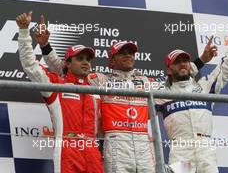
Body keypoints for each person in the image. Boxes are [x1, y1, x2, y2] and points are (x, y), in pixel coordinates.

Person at [35, 16, 217, 172]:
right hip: (116, 144)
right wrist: (46, 47)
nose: (128, 55)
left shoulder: (146, 82)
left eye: (131, 53)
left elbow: (177, 74)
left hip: (143, 146)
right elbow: (67, 70)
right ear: (112, 61)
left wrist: (201, 61)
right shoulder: (100, 79)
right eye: (122, 53)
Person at [155, 3, 228, 173]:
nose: (182, 64)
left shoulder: (205, 86)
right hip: (181, 151)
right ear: (168, 69)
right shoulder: (161, 93)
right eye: (177, 62)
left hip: (206, 150)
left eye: (185, 60)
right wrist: (198, 63)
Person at [16, 11, 103, 173]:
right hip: (67, 148)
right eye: (80, 58)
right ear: (68, 64)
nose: (86, 63)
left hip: (92, 149)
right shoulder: (56, 85)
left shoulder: (96, 89)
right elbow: (30, 65)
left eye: (88, 59)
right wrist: (23, 32)